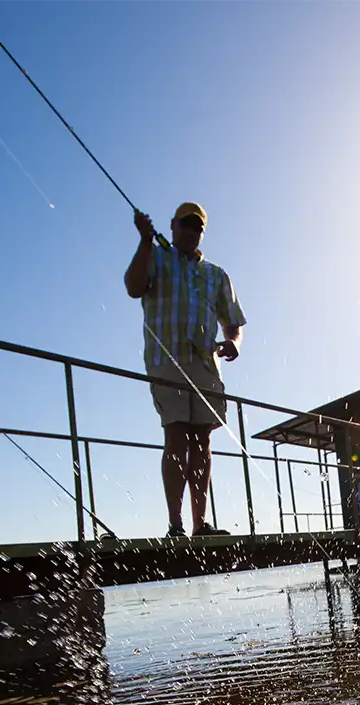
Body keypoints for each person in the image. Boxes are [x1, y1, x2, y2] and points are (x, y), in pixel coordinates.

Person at [124, 201, 247, 537]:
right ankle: (175, 525)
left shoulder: (216, 274)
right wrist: (146, 240)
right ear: (173, 225)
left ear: (201, 232)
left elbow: (233, 322)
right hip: (167, 361)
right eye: (185, 224)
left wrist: (233, 342)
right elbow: (133, 287)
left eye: (198, 226)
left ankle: (199, 524)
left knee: (202, 440)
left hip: (206, 364)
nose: (191, 231)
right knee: (176, 435)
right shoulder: (157, 257)